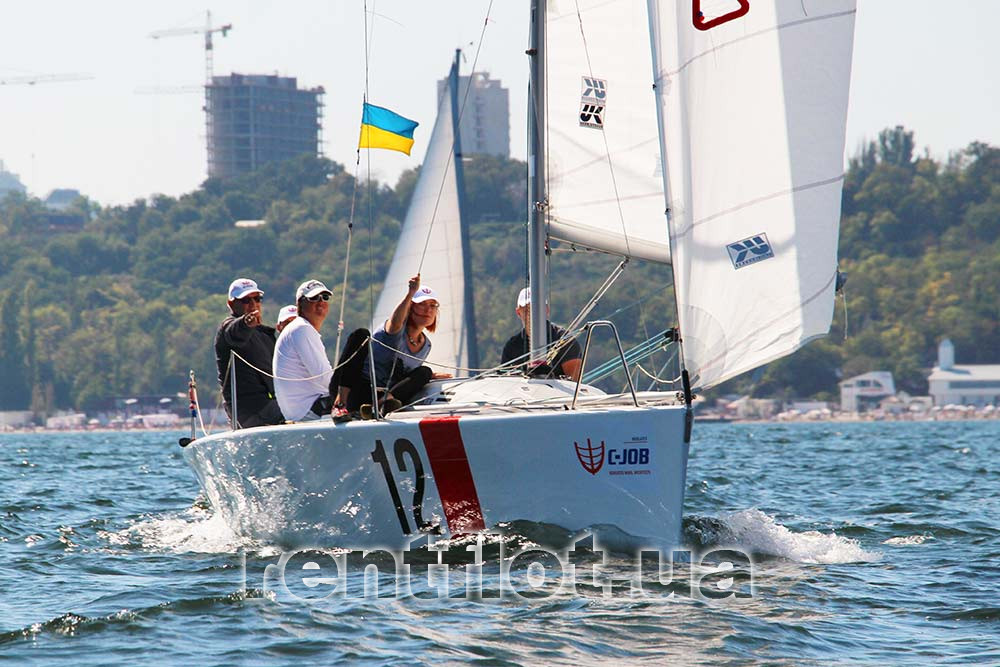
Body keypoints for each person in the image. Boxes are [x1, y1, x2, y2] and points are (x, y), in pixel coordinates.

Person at [334, 274, 445, 416]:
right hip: (363, 389)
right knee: (361, 334)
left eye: (432, 305)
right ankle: (343, 404)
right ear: (410, 308)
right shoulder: (395, 330)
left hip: (388, 396)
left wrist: (430, 375)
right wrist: (410, 294)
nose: (428, 310)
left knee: (425, 371)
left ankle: (384, 404)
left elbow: (405, 372)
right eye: (421, 304)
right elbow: (396, 321)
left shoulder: (426, 345)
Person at [214, 278, 284, 428]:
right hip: (250, 410)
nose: (253, 304)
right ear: (231, 304)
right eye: (246, 300)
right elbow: (235, 331)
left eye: (257, 298)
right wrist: (246, 322)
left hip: (269, 405)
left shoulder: (263, 335)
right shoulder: (229, 328)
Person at [272, 279, 338, 421]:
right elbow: (324, 378)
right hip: (310, 412)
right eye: (314, 298)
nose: (321, 302)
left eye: (325, 297)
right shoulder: (302, 329)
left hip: (301, 412)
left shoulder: (299, 329)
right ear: (300, 304)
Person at [500, 287, 583, 381]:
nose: (532, 313)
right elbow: (504, 381)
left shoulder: (564, 340)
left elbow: (574, 382)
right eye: (527, 309)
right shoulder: (512, 346)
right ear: (518, 312)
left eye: (537, 308)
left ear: (546, 310)